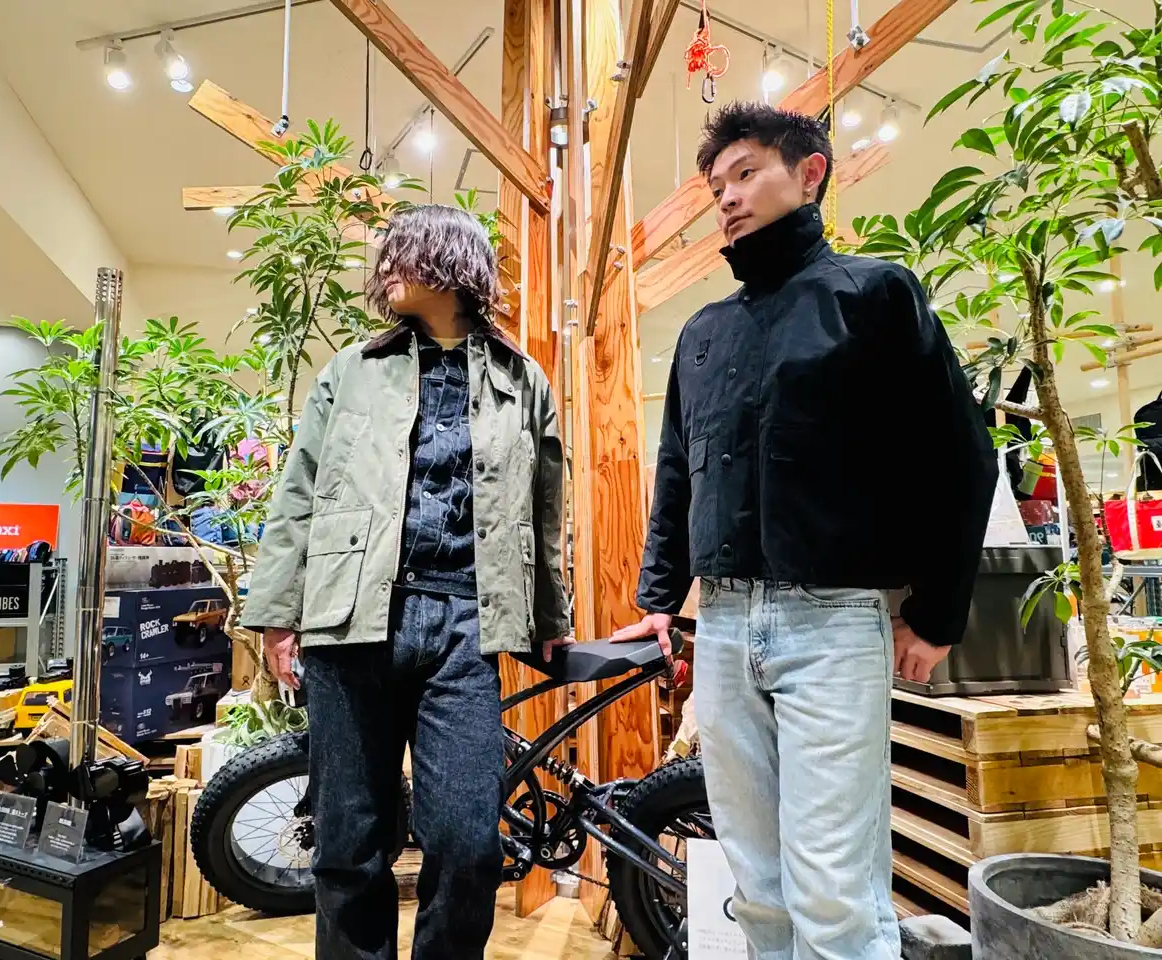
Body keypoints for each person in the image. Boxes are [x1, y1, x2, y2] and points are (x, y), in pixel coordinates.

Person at [613, 102, 997, 960]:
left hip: (833, 625)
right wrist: (659, 600)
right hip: (722, 630)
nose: (727, 198)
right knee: (758, 888)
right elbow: (676, 474)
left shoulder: (874, 296)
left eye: (746, 173)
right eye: (716, 185)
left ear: (810, 172)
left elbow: (961, 457)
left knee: (833, 891)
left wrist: (938, 614)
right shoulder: (704, 333)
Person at [241, 203, 572, 960]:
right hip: (351, 618)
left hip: (464, 626)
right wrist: (278, 615)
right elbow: (299, 492)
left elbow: (545, 509)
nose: (384, 268)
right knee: (348, 842)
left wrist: (550, 617)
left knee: (468, 843)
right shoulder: (351, 372)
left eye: (402, 253)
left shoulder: (522, 379)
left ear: (452, 262)